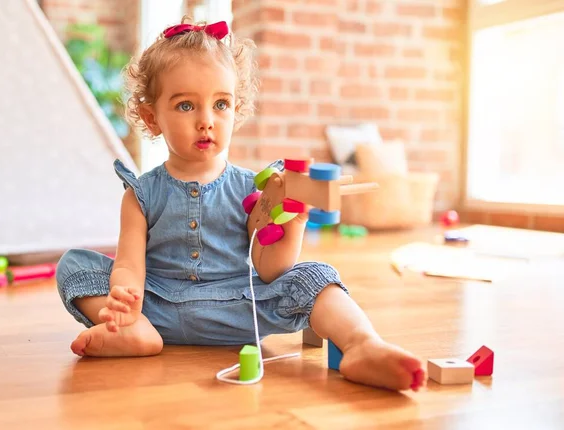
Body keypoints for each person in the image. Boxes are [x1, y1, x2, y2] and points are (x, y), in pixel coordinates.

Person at [55, 17, 427, 392]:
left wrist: (292, 223)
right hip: (156, 308)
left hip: (239, 308)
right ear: (152, 119)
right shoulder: (140, 193)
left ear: (237, 109)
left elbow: (271, 269)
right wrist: (125, 299)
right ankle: (134, 332)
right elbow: (129, 264)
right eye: (186, 106)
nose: (206, 121)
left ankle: (362, 344)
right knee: (74, 264)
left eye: (221, 104)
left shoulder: (254, 188)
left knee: (314, 274)